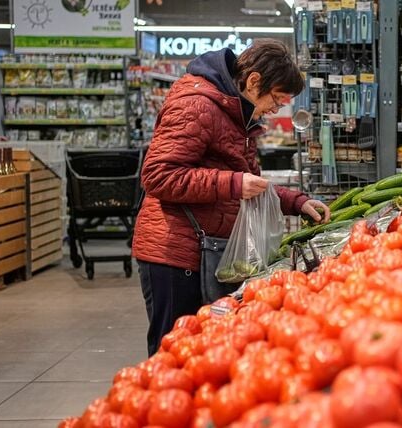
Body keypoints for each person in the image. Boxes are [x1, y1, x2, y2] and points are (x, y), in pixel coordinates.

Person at [132, 39, 329, 356]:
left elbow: (244, 180)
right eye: (276, 101)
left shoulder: (236, 112)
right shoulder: (197, 105)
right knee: (173, 355)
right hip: (175, 254)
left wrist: (296, 201)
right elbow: (158, 175)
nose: (275, 110)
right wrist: (232, 184)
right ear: (253, 81)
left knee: (201, 354)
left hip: (204, 250)